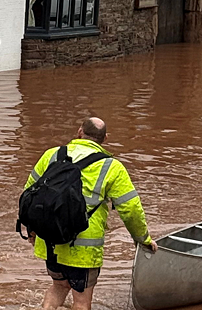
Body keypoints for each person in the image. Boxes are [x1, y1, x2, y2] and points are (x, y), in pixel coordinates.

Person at [24, 118, 157, 310]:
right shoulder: (112, 167)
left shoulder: (51, 155)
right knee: (81, 301)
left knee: (59, 286)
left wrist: (32, 230)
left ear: (79, 132)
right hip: (84, 250)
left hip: (51, 242)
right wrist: (143, 239)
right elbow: (131, 210)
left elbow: (29, 193)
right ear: (104, 139)